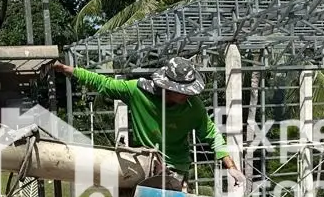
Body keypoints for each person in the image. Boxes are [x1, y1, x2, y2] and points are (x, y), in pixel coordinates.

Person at [53, 57, 240, 185]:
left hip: (176, 167)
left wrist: (230, 166)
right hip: (143, 163)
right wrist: (70, 70)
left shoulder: (194, 106)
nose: (187, 95)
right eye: (183, 91)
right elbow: (104, 83)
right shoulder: (138, 91)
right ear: (167, 87)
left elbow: (211, 134)